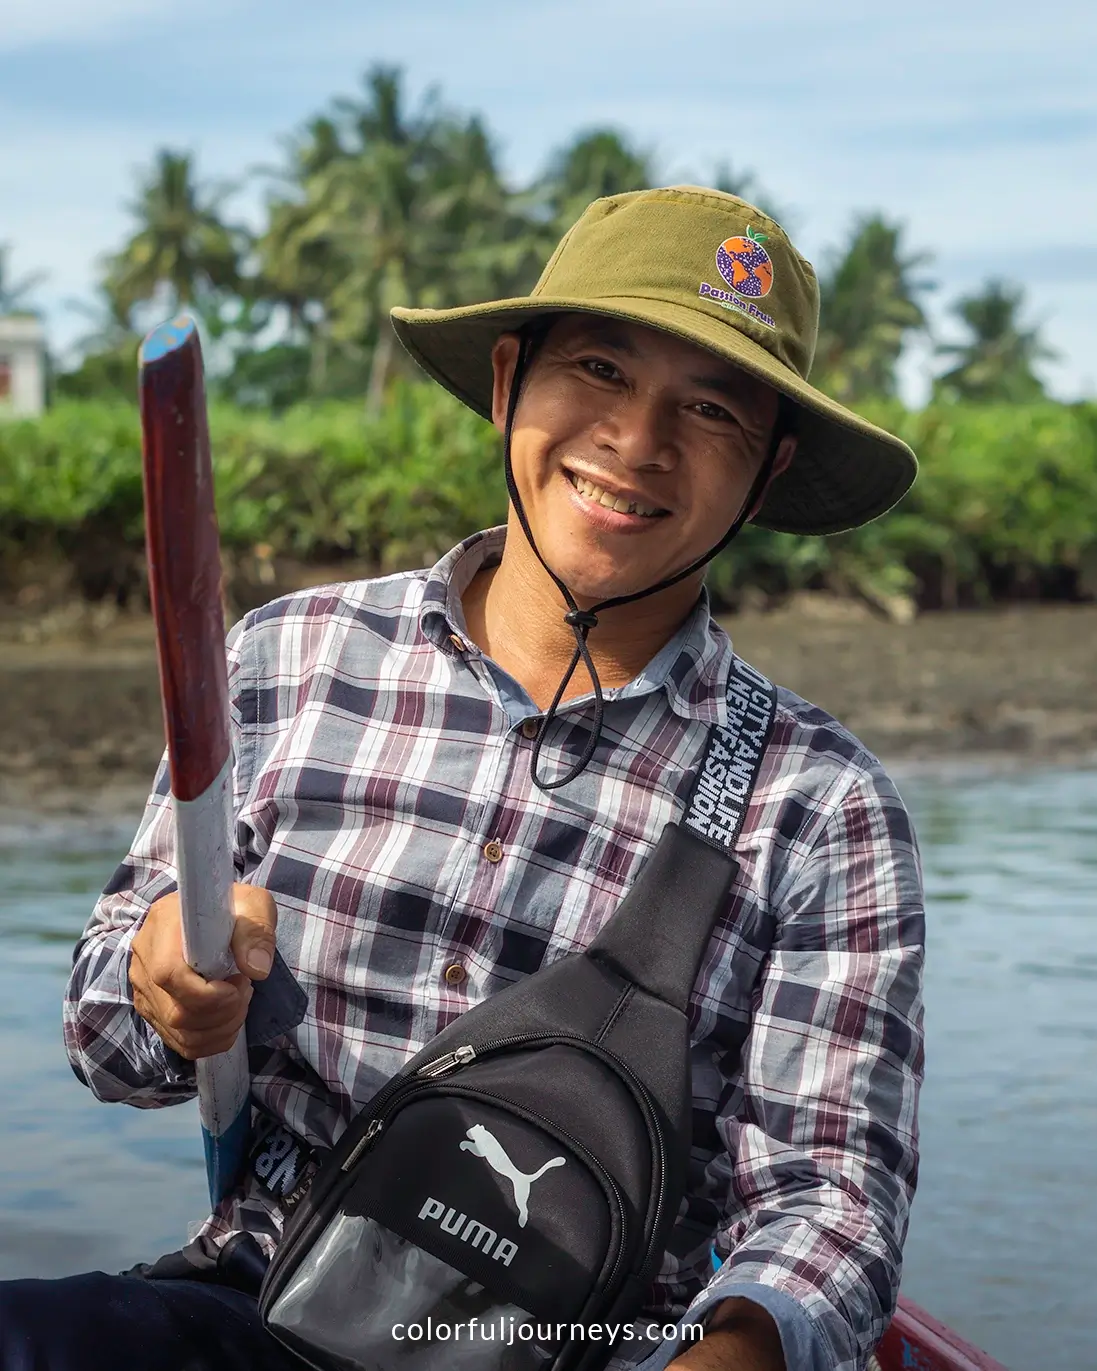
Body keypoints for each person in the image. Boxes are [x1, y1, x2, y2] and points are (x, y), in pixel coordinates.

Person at [1, 186, 924, 1371]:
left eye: (708, 411)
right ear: (505, 383)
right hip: (265, 1301)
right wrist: (161, 979)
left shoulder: (821, 808)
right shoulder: (292, 656)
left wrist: (731, 1349)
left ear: (767, 473)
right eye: (596, 368)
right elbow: (103, 1046)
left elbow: (828, 1209)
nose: (636, 444)